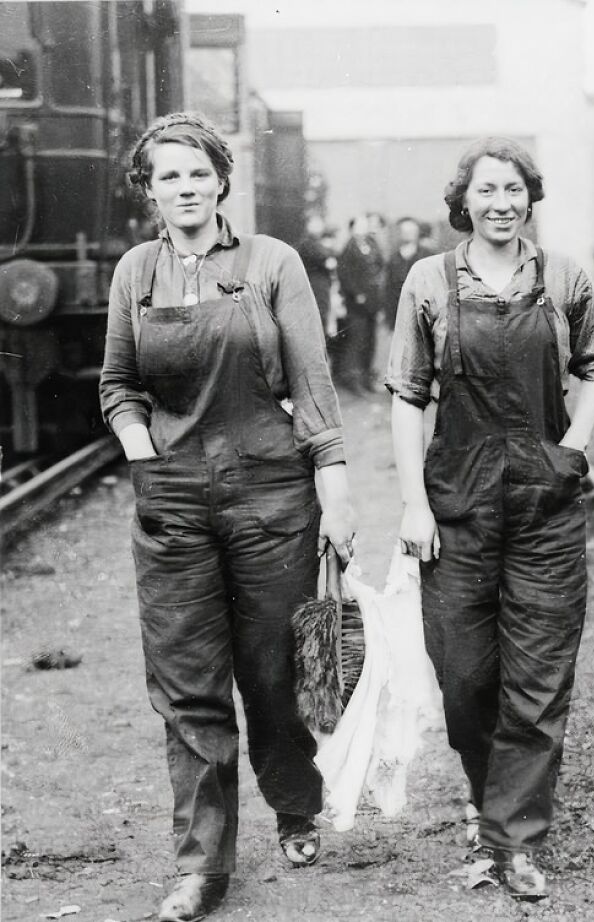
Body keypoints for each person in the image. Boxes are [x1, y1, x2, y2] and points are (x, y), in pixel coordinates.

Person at [99, 112, 355, 922]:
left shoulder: (271, 262)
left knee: (274, 671)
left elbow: (313, 388)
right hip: (172, 498)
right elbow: (118, 384)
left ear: (221, 181)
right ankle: (200, 867)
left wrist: (335, 494)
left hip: (271, 493)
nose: (185, 187)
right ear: (149, 190)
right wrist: (146, 454)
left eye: (198, 173)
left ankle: (295, 805)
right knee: (186, 685)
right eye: (168, 175)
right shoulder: (136, 272)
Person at [386, 137, 594, 901]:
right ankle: (495, 794)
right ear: (465, 201)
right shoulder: (428, 282)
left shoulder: (563, 277)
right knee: (465, 676)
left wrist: (573, 450)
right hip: (456, 501)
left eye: (513, 189)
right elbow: (406, 398)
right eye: (486, 190)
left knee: (538, 676)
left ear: (530, 197)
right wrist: (415, 505)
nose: (500, 203)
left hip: (544, 502)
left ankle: (514, 839)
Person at [336, 213, 385, 394]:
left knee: (370, 341)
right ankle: (353, 380)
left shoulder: (373, 244)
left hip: (372, 301)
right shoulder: (349, 248)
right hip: (356, 303)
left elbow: (380, 265)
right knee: (357, 340)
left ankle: (367, 378)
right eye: (359, 226)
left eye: (365, 226)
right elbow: (344, 275)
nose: (363, 230)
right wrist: (357, 293)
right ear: (352, 229)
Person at [384, 216, 432, 330]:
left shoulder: (428, 256)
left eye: (411, 231)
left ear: (417, 232)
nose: (408, 234)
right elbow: (388, 289)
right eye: (405, 231)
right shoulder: (393, 258)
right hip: (399, 316)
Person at [297, 213, 334, 333]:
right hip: (315, 286)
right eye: (315, 224)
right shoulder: (308, 244)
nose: (319, 227)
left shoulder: (317, 243)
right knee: (317, 319)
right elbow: (326, 260)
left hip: (320, 286)